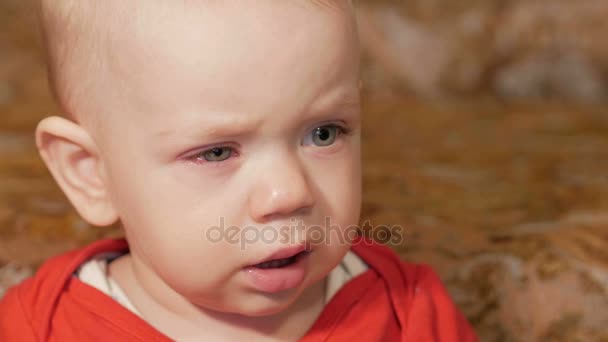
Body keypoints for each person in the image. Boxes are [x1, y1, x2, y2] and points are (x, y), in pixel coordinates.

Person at [0, 1, 477, 340]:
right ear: (91, 173)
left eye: (324, 133)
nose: (289, 193)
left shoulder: (411, 315)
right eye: (216, 153)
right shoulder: (36, 329)